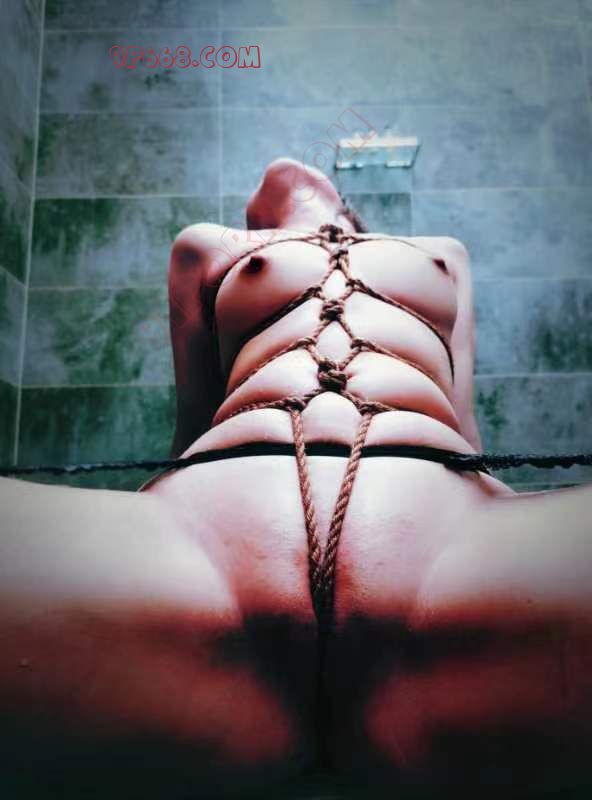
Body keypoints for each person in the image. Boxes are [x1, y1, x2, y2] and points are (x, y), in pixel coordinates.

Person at [1, 158, 591, 800]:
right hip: (210, 529)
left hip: (451, 522)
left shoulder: (444, 253)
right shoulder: (204, 247)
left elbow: (467, 433)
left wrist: (512, 528)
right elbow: (191, 430)